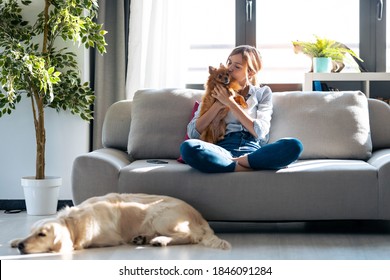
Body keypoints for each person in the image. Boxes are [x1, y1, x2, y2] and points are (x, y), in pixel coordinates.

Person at [180, 45, 303, 173]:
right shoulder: (216, 90)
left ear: (250, 72)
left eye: (237, 66)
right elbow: (192, 132)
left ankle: (233, 164)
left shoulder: (262, 93)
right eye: (229, 63)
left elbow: (260, 132)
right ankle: (246, 166)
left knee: (294, 146)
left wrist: (230, 103)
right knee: (188, 147)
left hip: (252, 150)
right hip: (221, 149)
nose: (230, 69)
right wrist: (218, 104)